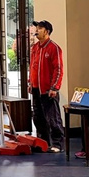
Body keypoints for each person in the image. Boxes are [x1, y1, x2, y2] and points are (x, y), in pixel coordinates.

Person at [29, 20, 64, 153]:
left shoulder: (54, 48)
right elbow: (32, 66)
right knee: (38, 117)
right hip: (36, 88)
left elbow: (58, 69)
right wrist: (30, 83)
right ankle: (43, 142)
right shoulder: (35, 47)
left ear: (47, 31)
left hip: (48, 90)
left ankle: (58, 144)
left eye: (40, 28)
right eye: (36, 27)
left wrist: (55, 87)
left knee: (53, 118)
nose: (37, 30)